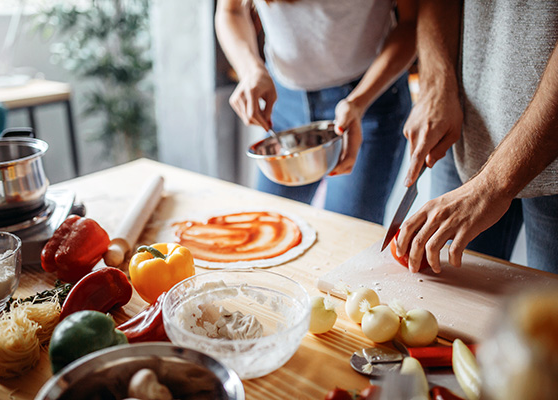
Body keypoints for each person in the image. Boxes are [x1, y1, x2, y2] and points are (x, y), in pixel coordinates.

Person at [215, 0, 417, 224]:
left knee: (345, 234)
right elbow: (230, 10)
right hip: (284, 100)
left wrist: (359, 101)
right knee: (269, 223)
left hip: (369, 99)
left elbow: (412, 22)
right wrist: (251, 69)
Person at [396, 0, 558, 274]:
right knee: (447, 283)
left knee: (549, 308)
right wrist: (436, 84)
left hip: (552, 154)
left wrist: (492, 184)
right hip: (466, 129)